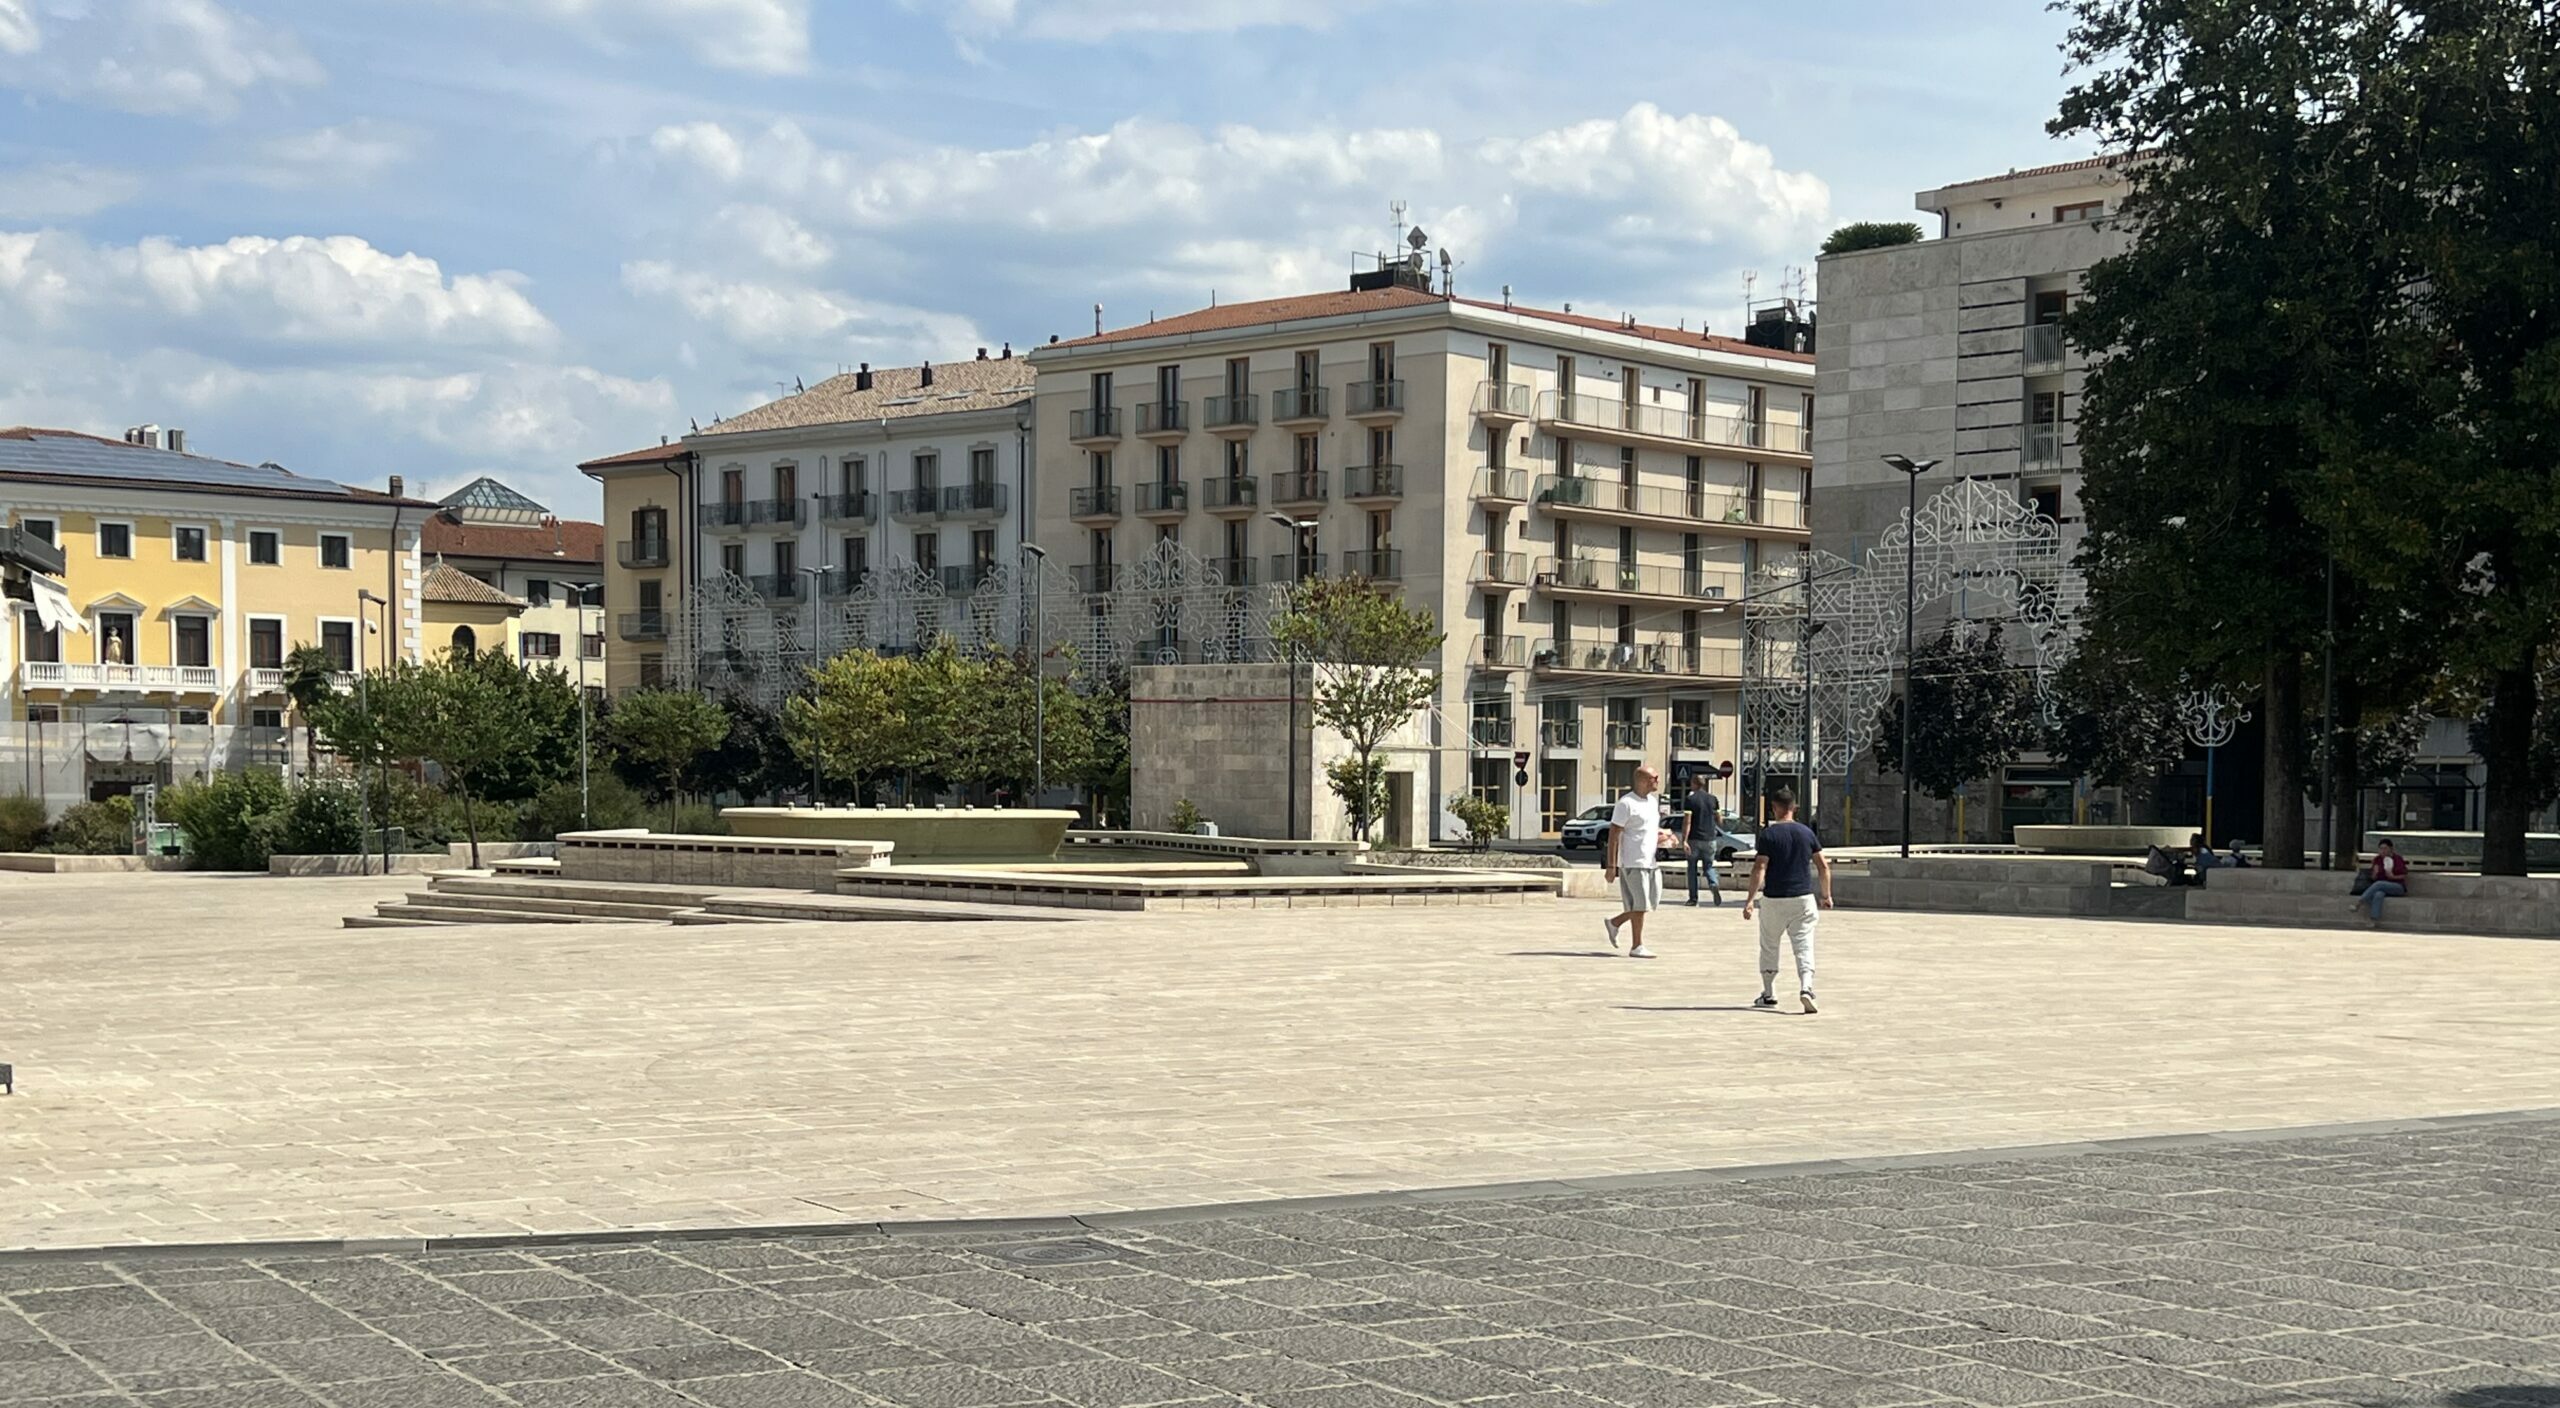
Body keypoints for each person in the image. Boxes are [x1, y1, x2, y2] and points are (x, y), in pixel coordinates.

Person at [1741, 788, 1831, 1014]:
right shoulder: (1807, 833)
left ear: (1774, 807)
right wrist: (1826, 895)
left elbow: (1759, 867)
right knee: (1804, 944)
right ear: (1795, 808)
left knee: (1769, 945)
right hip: (1802, 898)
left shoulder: (1769, 835)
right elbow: (1823, 866)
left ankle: (1769, 992)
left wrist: (1750, 899)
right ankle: (1807, 987)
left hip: (1774, 899)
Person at [1601, 764, 1668, 958]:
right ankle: (1637, 945)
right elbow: (1614, 834)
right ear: (1642, 780)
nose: (1657, 780)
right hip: (1633, 861)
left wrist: (1663, 837)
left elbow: (1649, 830)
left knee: (1651, 902)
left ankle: (1615, 923)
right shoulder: (1626, 803)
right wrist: (1611, 865)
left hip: (1651, 861)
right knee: (1641, 904)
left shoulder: (1652, 802)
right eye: (1654, 777)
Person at [1679, 777, 1725, 906]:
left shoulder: (1690, 799)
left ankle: (1693, 898)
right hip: (1710, 839)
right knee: (1709, 866)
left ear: (1694, 783)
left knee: (1692, 869)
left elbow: (1687, 821)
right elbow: (1719, 820)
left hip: (1694, 838)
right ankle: (1713, 883)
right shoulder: (1713, 799)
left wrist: (1684, 840)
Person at [2354, 838, 2410, 921]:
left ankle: (2359, 902)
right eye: (2381, 849)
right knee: (2378, 894)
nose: (2383, 851)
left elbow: (2404, 875)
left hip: (2397, 886)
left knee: (2379, 884)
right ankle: (2374, 919)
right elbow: (2373, 878)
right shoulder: (2377, 860)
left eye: (2385, 848)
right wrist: (2375, 873)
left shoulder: (2397, 859)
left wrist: (2393, 877)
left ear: (2391, 849)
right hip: (2380, 886)